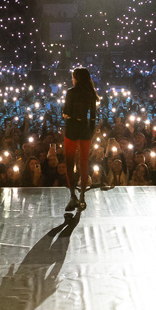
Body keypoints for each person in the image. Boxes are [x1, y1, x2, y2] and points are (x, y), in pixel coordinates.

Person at [62, 67, 98, 212]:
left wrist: (68, 116)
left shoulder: (71, 92)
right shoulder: (91, 93)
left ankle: (72, 196)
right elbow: (93, 116)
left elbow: (66, 112)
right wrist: (91, 130)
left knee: (69, 162)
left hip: (72, 128)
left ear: (76, 78)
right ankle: (82, 196)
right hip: (85, 129)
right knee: (84, 162)